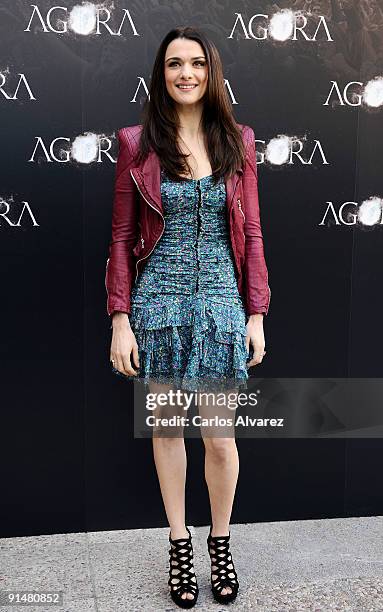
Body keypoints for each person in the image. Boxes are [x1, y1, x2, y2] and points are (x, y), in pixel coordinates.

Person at [105, 26, 271, 608]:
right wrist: (120, 318)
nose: (186, 73)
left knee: (220, 442)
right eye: (174, 63)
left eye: (196, 63)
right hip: (160, 309)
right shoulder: (137, 142)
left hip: (222, 305)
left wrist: (255, 312)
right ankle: (179, 541)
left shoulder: (238, 140)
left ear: (211, 71)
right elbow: (123, 237)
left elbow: (250, 232)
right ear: (162, 72)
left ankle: (219, 541)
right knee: (169, 430)